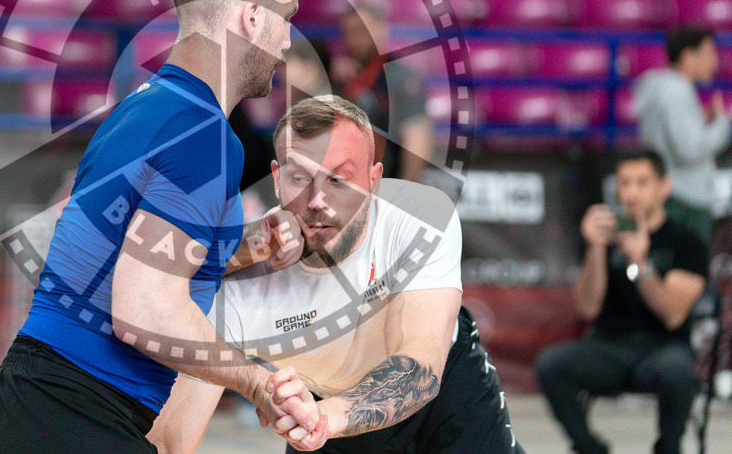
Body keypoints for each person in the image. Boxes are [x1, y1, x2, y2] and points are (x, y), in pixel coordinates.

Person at [0, 0, 326, 452]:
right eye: (285, 17)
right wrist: (255, 382)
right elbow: (142, 310)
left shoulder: (141, 108)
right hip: (73, 417)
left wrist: (246, 247)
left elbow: (131, 256)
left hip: (28, 405)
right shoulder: (205, 136)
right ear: (252, 16)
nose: (288, 41)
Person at [149, 95, 522, 453]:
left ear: (373, 181)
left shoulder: (417, 217)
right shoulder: (240, 281)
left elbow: (418, 367)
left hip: (444, 402)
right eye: (299, 178)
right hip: (323, 409)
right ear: (276, 179)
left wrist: (323, 417)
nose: (317, 201)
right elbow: (169, 442)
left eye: (339, 180)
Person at [536, 149, 709, 454]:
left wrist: (640, 264)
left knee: (678, 371)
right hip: (608, 346)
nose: (632, 191)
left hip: (663, 347)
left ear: (663, 187)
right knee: (551, 364)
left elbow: (672, 315)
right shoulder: (604, 236)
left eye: (643, 182)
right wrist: (596, 248)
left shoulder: (687, 242)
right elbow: (587, 307)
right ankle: (590, 447)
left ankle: (668, 448)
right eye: (625, 182)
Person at [634, 27, 729, 239]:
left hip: (674, 195)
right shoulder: (676, 92)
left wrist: (703, 122)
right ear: (687, 56)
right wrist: (722, 125)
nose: (714, 62)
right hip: (684, 201)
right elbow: (689, 150)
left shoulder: (666, 89)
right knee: (687, 269)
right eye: (709, 53)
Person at [335, 3, 432, 183]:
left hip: (388, 184)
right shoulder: (339, 77)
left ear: (381, 28)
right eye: (349, 32)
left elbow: (417, 142)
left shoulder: (402, 78)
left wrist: (405, 192)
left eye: (363, 30)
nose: (356, 39)